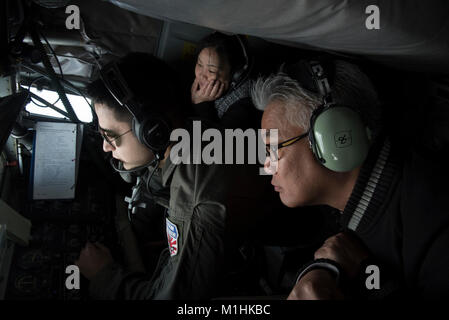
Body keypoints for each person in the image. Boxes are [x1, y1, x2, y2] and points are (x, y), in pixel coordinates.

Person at [251, 59, 449, 299]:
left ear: (333, 136)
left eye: (274, 149)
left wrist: (368, 274)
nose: (267, 165)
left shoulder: (433, 212)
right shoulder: (349, 211)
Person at [76, 52, 266, 299]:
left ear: (152, 130)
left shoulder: (196, 201)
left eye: (110, 136)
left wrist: (103, 275)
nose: (105, 147)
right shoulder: (192, 135)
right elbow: (156, 184)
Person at [191, 32, 260, 129]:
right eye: (199, 64)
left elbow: (214, 142)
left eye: (211, 70)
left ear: (235, 74)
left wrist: (200, 104)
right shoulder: (198, 83)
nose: (201, 75)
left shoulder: (243, 106)